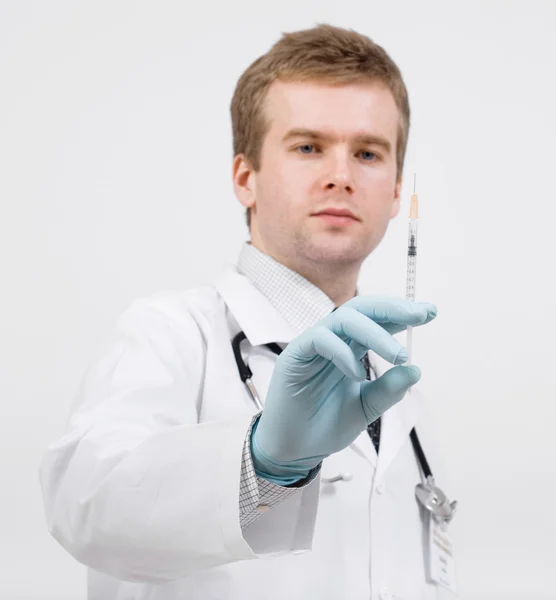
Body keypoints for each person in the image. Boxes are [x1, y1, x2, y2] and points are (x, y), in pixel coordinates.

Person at [40, 23, 454, 600]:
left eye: (367, 152)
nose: (341, 173)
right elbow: (85, 505)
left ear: (393, 192)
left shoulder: (400, 390)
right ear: (245, 178)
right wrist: (264, 462)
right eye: (308, 146)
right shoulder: (170, 336)